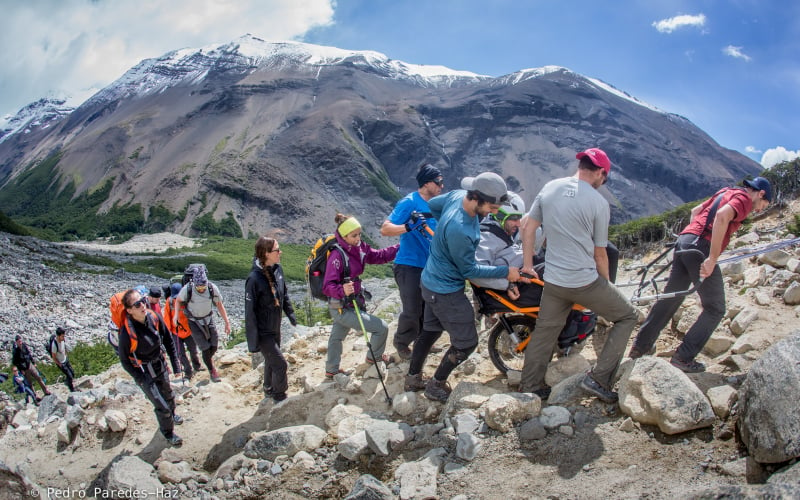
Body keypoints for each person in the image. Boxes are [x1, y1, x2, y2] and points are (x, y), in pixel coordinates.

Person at [520, 148, 639, 404]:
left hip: (553, 280)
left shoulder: (550, 187)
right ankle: (599, 379)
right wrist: (607, 287)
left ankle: (530, 387)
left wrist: (528, 264)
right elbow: (600, 254)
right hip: (583, 281)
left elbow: (528, 226)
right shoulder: (598, 203)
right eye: (604, 179)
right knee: (628, 316)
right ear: (600, 172)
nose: (602, 183)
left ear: (581, 166)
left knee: (544, 331)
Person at [629, 176, 772, 372]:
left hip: (685, 240)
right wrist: (712, 257)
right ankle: (683, 357)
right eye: (764, 204)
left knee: (672, 296)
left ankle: (640, 347)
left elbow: (695, 211)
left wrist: (693, 238)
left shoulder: (725, 191)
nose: (761, 208)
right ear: (761, 193)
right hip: (700, 248)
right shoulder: (746, 199)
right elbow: (722, 216)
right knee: (715, 308)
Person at [405, 172, 521, 402]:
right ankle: (435, 385)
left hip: (429, 281)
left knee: (430, 331)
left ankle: (413, 377)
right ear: (477, 197)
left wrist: (441, 234)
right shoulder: (461, 229)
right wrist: (506, 273)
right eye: (492, 206)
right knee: (467, 342)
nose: (494, 212)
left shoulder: (457, 196)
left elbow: (434, 205)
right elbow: (470, 271)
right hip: (445, 290)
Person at [322, 214, 399, 379]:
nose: (358, 238)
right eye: (354, 235)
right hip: (342, 306)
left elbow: (378, 256)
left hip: (348, 303)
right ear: (343, 236)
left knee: (337, 336)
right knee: (381, 328)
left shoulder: (360, 247)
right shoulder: (337, 256)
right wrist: (342, 290)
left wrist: (400, 247)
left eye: (359, 234)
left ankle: (331, 370)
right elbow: (327, 286)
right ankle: (374, 359)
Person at [380, 163, 444, 360]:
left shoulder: (436, 204)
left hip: (429, 266)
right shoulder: (409, 202)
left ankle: (423, 342)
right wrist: (408, 227)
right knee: (412, 309)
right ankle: (401, 343)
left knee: (429, 308)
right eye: (438, 182)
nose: (442, 185)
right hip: (408, 265)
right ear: (426, 183)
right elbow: (385, 228)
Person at [118, 288, 184, 446]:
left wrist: (175, 364)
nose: (143, 305)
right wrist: (140, 379)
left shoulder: (153, 317)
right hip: (145, 372)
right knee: (161, 405)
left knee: (168, 393)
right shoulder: (126, 334)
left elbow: (168, 339)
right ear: (129, 311)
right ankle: (168, 433)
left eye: (142, 300)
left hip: (159, 363)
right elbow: (125, 361)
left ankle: (172, 414)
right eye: (137, 304)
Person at [245, 236, 297, 402]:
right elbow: (250, 312)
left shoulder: (277, 269)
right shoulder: (253, 279)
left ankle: (268, 388)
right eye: (277, 249)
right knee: (280, 364)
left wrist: (290, 313)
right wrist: (253, 343)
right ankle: (279, 396)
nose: (280, 252)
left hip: (275, 327)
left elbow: (284, 293)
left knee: (271, 361)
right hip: (263, 333)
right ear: (266, 253)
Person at [472, 191, 544, 305]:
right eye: (514, 218)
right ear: (500, 216)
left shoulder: (500, 232)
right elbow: (476, 273)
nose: (518, 223)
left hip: (525, 272)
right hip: (518, 282)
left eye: (519, 218)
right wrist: (507, 285)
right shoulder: (487, 237)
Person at [174, 267, 231, 383]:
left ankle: (208, 360)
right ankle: (212, 371)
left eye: (203, 287)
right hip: (194, 321)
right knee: (205, 347)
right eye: (198, 287)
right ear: (194, 283)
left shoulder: (211, 288)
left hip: (208, 318)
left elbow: (219, 305)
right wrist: (176, 315)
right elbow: (178, 300)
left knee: (214, 345)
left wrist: (227, 322)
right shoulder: (188, 289)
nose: (201, 289)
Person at [164, 282, 204, 381]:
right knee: (180, 354)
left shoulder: (188, 301)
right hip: (176, 332)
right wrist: (168, 331)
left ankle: (197, 365)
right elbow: (166, 318)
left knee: (193, 351)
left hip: (189, 331)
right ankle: (188, 372)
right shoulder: (169, 302)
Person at [50, 327, 76, 392]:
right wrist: (59, 364)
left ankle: (67, 381)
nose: (64, 337)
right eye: (62, 336)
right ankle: (71, 389)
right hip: (61, 362)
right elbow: (53, 356)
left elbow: (64, 348)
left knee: (72, 373)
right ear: (58, 336)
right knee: (69, 375)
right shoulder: (54, 345)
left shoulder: (62, 340)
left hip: (65, 359)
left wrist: (66, 355)